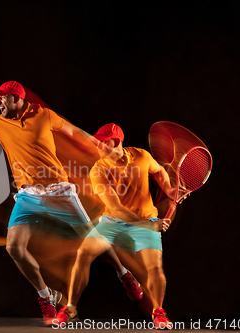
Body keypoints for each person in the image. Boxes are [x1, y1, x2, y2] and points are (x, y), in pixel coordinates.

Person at [0, 82, 142, 325]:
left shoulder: (44, 115)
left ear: (15, 98)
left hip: (59, 191)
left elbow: (75, 133)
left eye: (1, 98)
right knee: (14, 248)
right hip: (29, 196)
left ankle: (124, 275)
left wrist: (101, 147)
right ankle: (46, 297)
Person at [52, 123, 176, 329]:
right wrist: (148, 225)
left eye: (102, 141)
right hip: (114, 221)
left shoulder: (142, 156)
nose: (97, 145)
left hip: (146, 218)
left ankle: (159, 312)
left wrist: (170, 190)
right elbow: (117, 209)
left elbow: (159, 171)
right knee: (83, 253)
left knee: (154, 267)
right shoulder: (98, 170)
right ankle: (70, 308)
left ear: (116, 142)